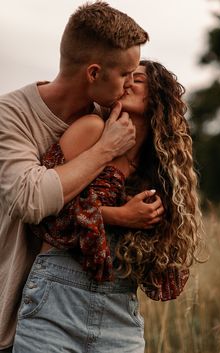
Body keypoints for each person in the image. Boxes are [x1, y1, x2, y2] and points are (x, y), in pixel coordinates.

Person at [0, 3, 166, 352]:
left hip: (86, 307)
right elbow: (32, 200)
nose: (127, 86)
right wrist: (105, 149)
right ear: (93, 73)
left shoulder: (110, 118)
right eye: (125, 74)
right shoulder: (11, 116)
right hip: (10, 312)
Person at [12, 60, 202, 353]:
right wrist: (122, 216)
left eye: (136, 79)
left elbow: (164, 269)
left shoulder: (162, 170)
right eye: (125, 75)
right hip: (55, 300)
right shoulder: (91, 129)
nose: (126, 82)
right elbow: (45, 209)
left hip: (119, 313)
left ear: (157, 97)